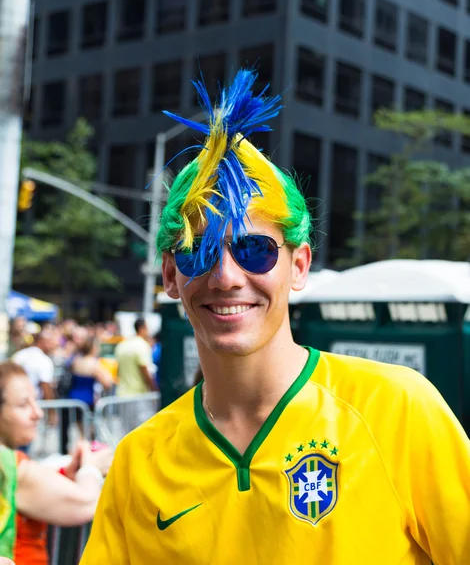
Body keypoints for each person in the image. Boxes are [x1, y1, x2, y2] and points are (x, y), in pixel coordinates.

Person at [80, 70, 470, 564]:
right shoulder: (140, 461)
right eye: (198, 252)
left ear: (298, 265)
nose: (225, 277)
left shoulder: (396, 409)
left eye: (255, 250)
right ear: (171, 274)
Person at [0, 361, 113, 563]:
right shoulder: (8, 465)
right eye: (23, 404)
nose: (38, 413)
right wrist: (90, 468)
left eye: (36, 400)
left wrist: (65, 474)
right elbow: (85, 503)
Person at [114, 318, 157, 434]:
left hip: (122, 395)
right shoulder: (142, 345)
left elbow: (118, 371)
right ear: (142, 329)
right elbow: (145, 371)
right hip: (139, 396)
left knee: (126, 432)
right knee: (142, 432)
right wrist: (154, 390)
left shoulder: (122, 345)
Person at [11, 329, 57, 401]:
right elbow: (46, 387)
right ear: (42, 342)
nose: (52, 345)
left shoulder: (20, 354)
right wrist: (52, 411)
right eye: (49, 342)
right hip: (31, 402)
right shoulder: (44, 360)